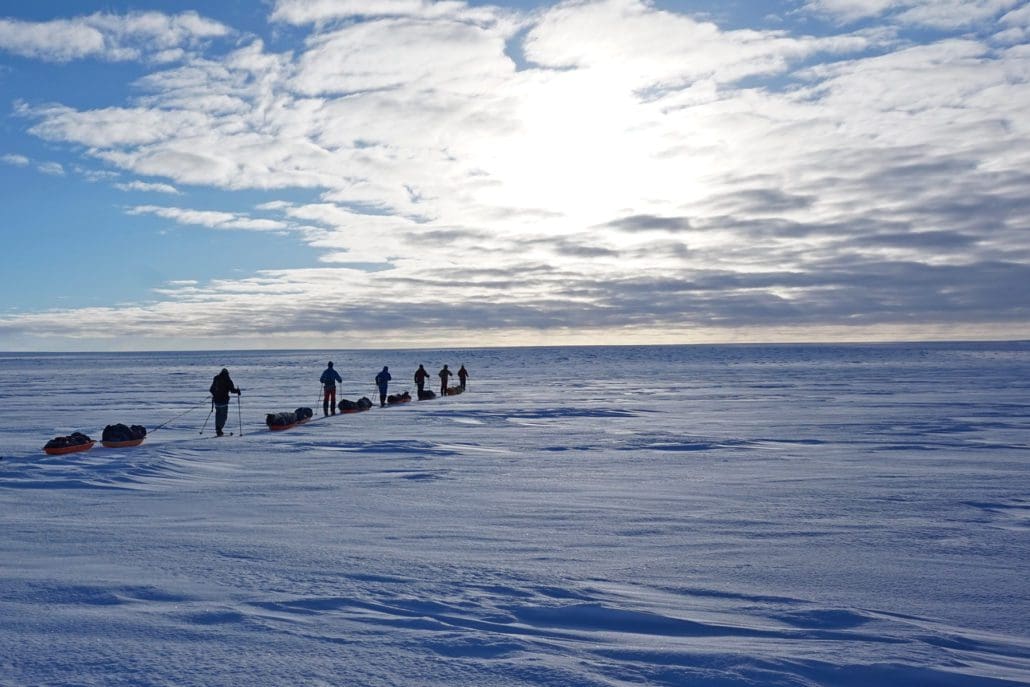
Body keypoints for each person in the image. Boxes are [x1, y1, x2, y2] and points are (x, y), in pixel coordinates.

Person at [209, 368, 241, 437]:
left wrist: (215, 395)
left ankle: (218, 429)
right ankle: (219, 429)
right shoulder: (228, 380)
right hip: (224, 401)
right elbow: (232, 390)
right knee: (223, 416)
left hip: (216, 401)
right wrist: (238, 391)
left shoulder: (216, 379)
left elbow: (211, 389)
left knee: (218, 415)